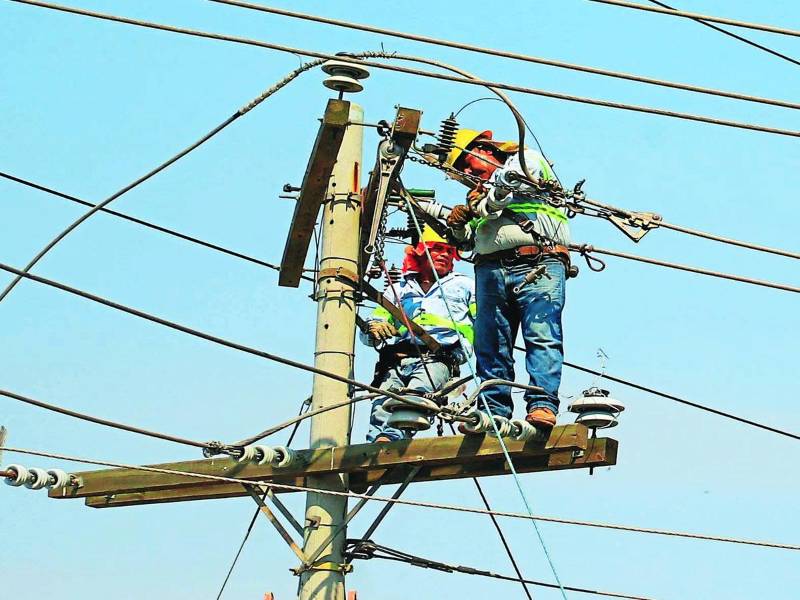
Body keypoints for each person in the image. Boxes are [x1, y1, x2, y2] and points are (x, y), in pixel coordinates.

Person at [445, 128, 570, 428]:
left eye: (466, 163)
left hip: (539, 262)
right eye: (460, 171)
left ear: (485, 149)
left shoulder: (525, 160)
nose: (465, 173)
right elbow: (469, 241)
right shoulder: (480, 192)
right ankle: (493, 411)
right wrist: (459, 225)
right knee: (490, 345)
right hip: (490, 269)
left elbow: (508, 186)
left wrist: (481, 202)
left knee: (541, 335)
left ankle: (542, 405)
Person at [361, 227, 476, 443]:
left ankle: (389, 441)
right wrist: (373, 329)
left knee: (414, 399)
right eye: (437, 249)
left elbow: (487, 323)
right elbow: (373, 325)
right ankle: (375, 448)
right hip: (397, 360)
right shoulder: (398, 290)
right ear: (420, 252)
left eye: (449, 251)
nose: (445, 254)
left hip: (439, 358)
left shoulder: (465, 286)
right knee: (381, 405)